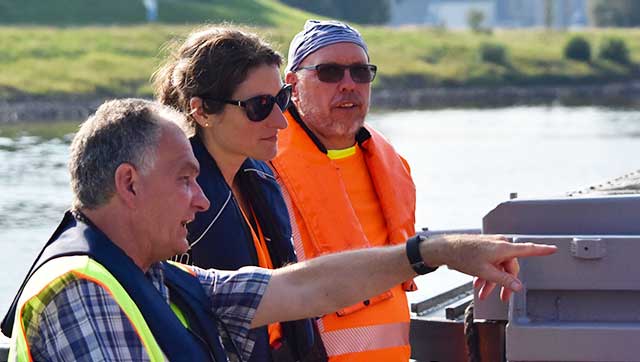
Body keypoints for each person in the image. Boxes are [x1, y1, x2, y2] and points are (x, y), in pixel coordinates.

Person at [1, 98, 556, 362]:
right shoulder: (81, 293)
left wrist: (433, 251)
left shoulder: (154, 276)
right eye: (186, 180)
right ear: (129, 184)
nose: (200, 201)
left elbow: (300, 288)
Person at [152, 26, 322, 361]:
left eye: (281, 100)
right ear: (201, 111)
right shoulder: (165, 202)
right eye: (259, 106)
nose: (281, 121)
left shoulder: (259, 178)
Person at [270, 19, 419, 360]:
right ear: (292, 84)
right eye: (330, 73)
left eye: (361, 72)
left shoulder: (395, 166)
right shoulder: (263, 169)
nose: (349, 85)